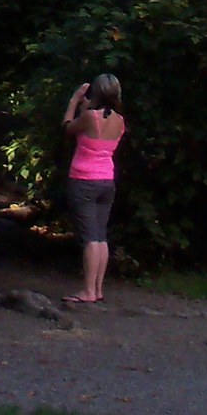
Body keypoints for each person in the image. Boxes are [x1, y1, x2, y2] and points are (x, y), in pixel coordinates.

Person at [61, 74, 125, 305]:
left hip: (83, 180)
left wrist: (75, 100)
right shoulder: (119, 121)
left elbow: (68, 127)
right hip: (107, 181)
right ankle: (97, 288)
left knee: (89, 238)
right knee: (100, 237)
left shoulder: (90, 117)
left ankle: (87, 290)